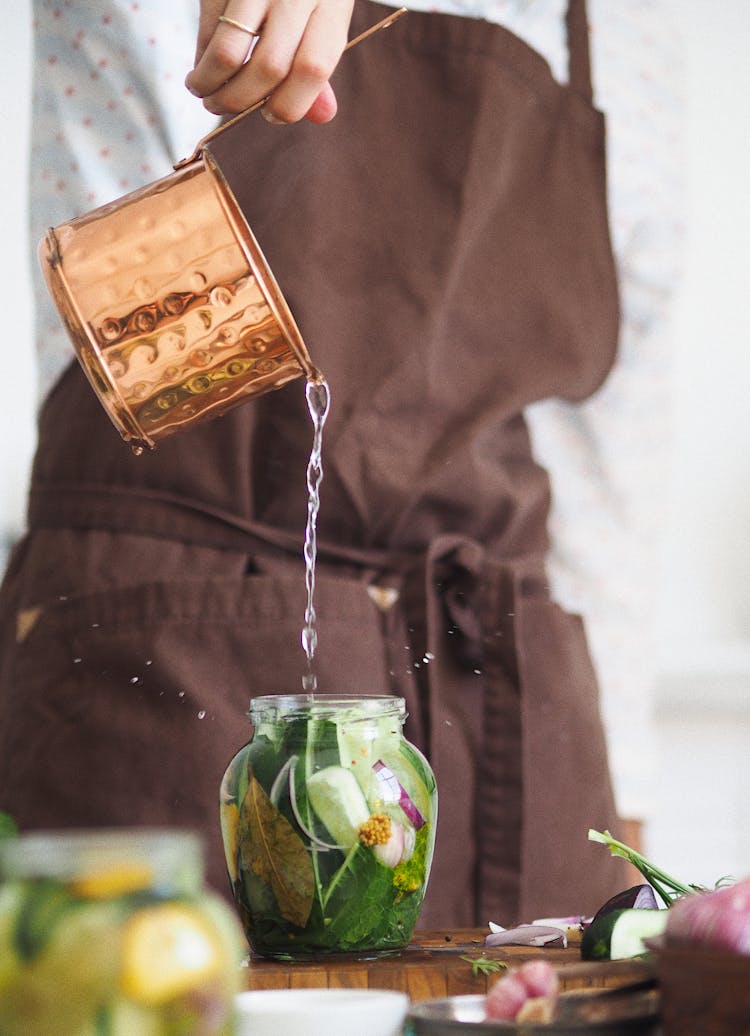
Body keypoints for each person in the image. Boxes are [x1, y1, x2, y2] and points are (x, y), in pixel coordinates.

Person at [0, 0, 683, 927]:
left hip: (511, 711)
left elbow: (607, 453)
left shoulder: (630, 32)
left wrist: (623, 786)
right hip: (169, 667)